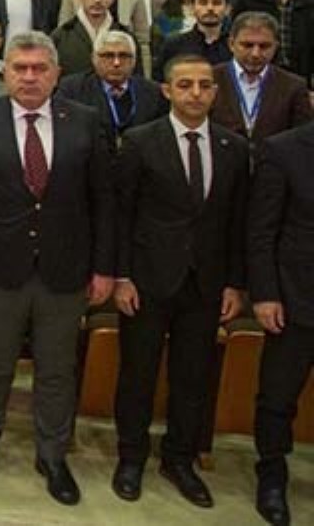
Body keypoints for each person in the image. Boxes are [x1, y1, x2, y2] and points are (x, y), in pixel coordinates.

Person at [0, 32, 115, 506]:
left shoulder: (85, 121)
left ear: (56, 74)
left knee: (57, 368)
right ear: (6, 73)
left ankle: (53, 455)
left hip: (65, 269)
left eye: (39, 68)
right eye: (20, 68)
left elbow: (104, 201)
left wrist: (104, 267)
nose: (29, 77)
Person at [111, 55, 250, 508]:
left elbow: (237, 223)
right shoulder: (139, 141)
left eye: (204, 85)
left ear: (215, 92)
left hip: (206, 284)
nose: (195, 93)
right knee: (138, 374)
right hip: (148, 279)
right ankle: (131, 458)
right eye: (185, 84)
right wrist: (122, 276)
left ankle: (179, 459)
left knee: (193, 378)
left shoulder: (233, 148)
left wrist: (235, 283)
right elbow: (122, 215)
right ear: (167, 90)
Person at [247, 118, 314, 526]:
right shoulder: (283, 149)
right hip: (296, 298)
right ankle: (272, 474)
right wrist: (266, 293)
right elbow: (261, 230)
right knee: (278, 397)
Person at [208, 11, 313, 149]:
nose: (255, 54)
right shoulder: (209, 79)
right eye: (247, 45)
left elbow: (302, 138)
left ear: (275, 46)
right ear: (231, 44)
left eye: (264, 46)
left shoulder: (293, 86)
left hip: (275, 161)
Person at [155, 0, 232, 80]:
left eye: (216, 3)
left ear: (227, 9)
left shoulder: (235, 46)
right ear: (192, 7)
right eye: (203, 3)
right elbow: (159, 81)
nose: (210, 8)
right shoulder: (174, 45)